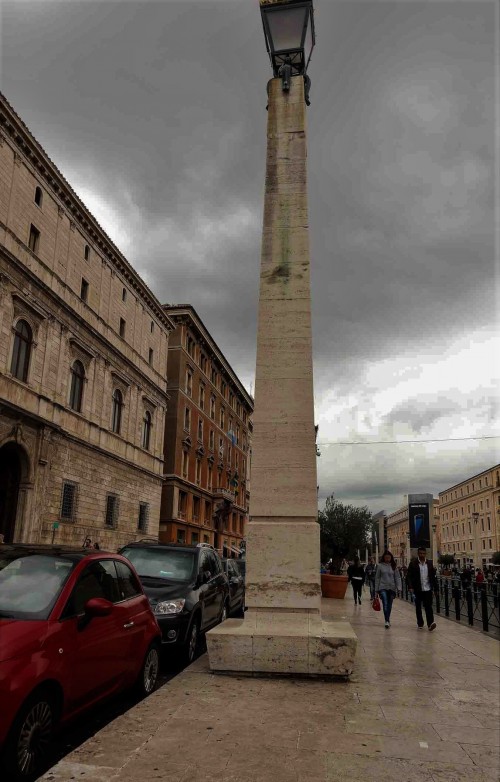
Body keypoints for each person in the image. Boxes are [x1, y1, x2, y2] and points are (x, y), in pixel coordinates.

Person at [407, 547, 438, 631]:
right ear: (418, 554)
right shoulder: (413, 563)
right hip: (417, 589)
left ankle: (430, 623)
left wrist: (436, 589)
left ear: (425, 554)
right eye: (420, 553)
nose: (422, 555)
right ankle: (420, 622)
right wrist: (410, 587)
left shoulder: (429, 564)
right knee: (418, 607)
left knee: (428, 606)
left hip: (427, 589)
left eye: (423, 553)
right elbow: (409, 576)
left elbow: (433, 577)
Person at [375, 550, 401, 629]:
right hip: (382, 587)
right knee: (385, 603)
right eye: (386, 558)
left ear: (391, 558)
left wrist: (399, 588)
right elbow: (377, 578)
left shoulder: (394, 566)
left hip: (392, 588)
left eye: (389, 558)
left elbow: (397, 577)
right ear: (384, 558)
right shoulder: (380, 566)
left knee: (389, 605)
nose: (387, 559)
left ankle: (388, 619)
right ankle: (386, 620)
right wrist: (376, 590)